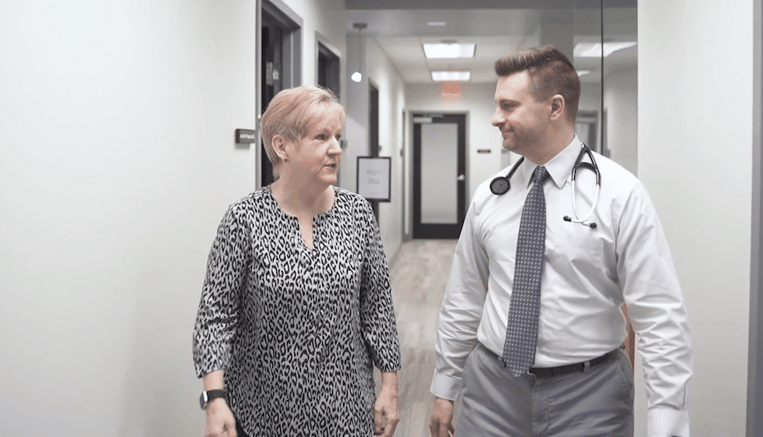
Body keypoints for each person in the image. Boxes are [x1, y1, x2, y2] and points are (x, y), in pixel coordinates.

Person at [428, 45, 693, 437]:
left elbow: (659, 315)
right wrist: (445, 386)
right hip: (491, 393)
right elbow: (464, 299)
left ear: (554, 107)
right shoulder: (490, 196)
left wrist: (667, 418)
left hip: (591, 397)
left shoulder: (620, 194)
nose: (496, 118)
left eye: (508, 105)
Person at [193, 86, 401, 437]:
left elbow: (377, 307)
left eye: (338, 137)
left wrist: (390, 388)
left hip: (346, 412)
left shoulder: (358, 214)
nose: (336, 148)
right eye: (321, 137)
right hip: (261, 413)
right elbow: (216, 316)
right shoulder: (244, 218)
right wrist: (215, 399)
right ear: (282, 146)